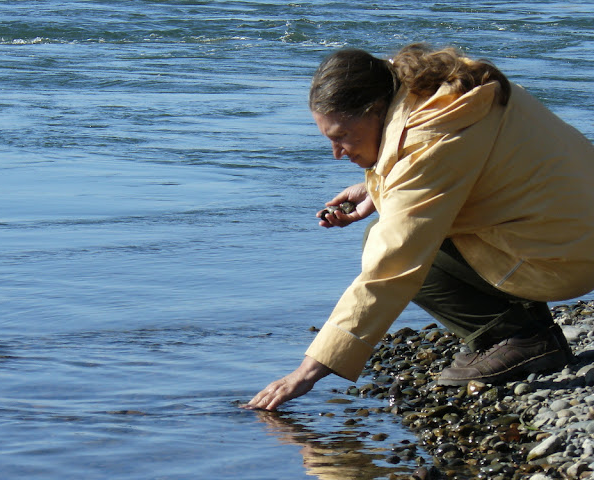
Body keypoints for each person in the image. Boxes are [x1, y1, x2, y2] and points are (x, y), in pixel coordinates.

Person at [247, 44, 594, 411]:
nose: (337, 152)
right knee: (408, 229)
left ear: (377, 109)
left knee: (388, 244)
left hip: (565, 257)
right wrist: (376, 188)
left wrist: (306, 372)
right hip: (574, 226)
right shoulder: (436, 87)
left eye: (342, 136)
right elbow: (467, 165)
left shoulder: (433, 136)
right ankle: (523, 326)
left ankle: (520, 335)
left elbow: (391, 268)